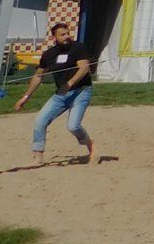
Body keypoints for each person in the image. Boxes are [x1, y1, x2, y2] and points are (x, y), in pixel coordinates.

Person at [13, 21, 96, 163]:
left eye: (67, 33)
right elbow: (38, 76)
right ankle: (38, 154)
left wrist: (69, 83)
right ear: (54, 37)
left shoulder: (78, 48)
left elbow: (84, 68)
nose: (66, 36)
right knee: (40, 121)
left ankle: (91, 145)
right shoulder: (49, 54)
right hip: (61, 94)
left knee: (73, 126)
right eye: (62, 34)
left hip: (81, 91)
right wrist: (26, 97)